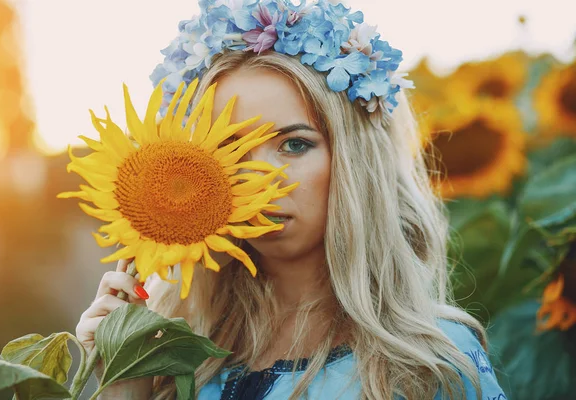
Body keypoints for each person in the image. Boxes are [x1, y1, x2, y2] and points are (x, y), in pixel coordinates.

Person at [75, 1, 507, 399]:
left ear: (354, 160)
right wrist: (124, 380)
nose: (258, 180)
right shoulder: (177, 352)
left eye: (294, 145)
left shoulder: (431, 365)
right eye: (230, 149)